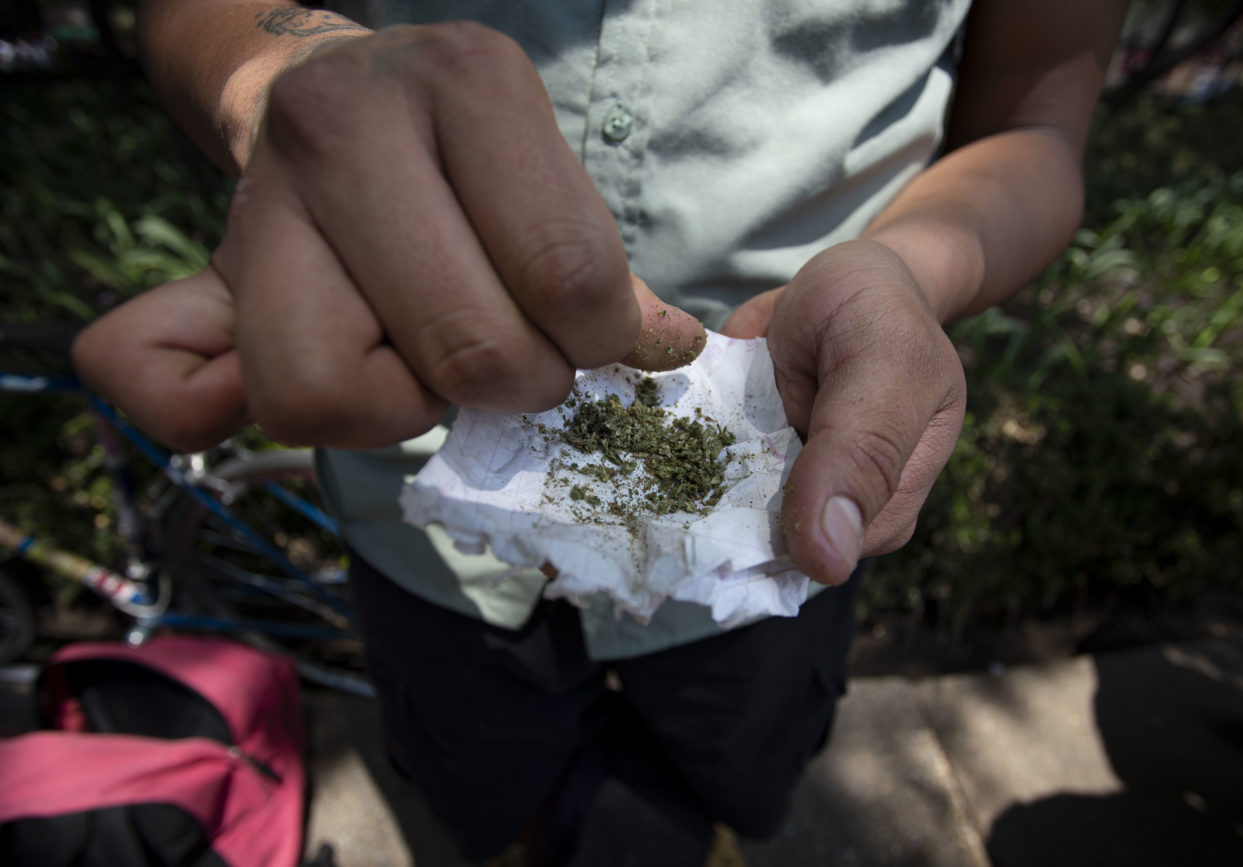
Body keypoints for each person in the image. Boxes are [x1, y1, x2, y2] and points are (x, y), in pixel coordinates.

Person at [72, 1, 1129, 863]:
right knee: (483, 781)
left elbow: (1033, 128)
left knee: (728, 773)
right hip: (424, 511)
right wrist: (275, 74)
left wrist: (907, 269)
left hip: (774, 499)